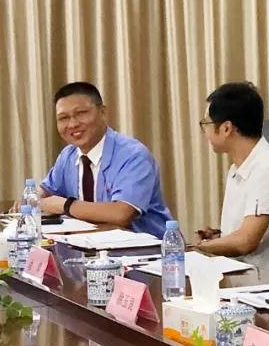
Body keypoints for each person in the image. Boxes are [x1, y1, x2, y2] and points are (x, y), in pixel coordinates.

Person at [38, 82, 173, 237]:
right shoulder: (68, 155)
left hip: (145, 248)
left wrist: (66, 205)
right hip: (89, 246)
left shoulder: (133, 155)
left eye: (81, 113)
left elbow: (121, 214)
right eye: (63, 118)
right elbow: (46, 191)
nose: (73, 124)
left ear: (102, 112)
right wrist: (34, 198)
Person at [195, 82, 269, 276]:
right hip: (237, 274)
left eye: (206, 124)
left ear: (226, 128)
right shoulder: (238, 167)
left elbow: (246, 242)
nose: (205, 133)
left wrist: (197, 248)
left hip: (265, 279)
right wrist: (218, 237)